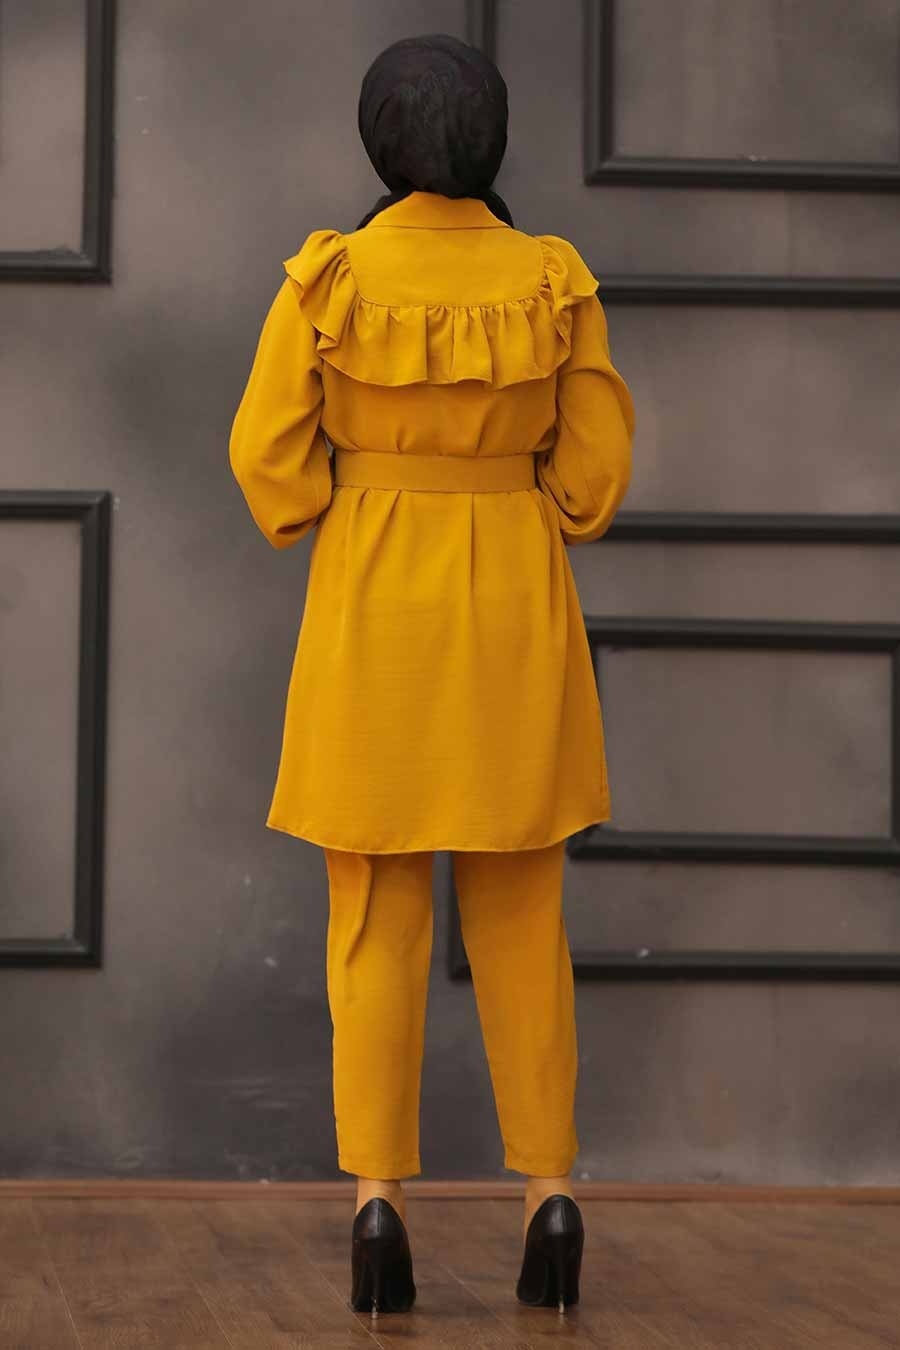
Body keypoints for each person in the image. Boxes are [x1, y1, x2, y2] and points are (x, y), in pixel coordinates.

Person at [229, 31, 635, 1318]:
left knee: (373, 916)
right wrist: (521, 499)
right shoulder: (553, 278)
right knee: (523, 914)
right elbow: (594, 477)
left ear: (378, 144)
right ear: (494, 140)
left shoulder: (332, 278)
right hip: (513, 603)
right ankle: (551, 1196)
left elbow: (268, 460)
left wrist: (342, 502)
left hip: (373, 607)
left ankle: (378, 1206)